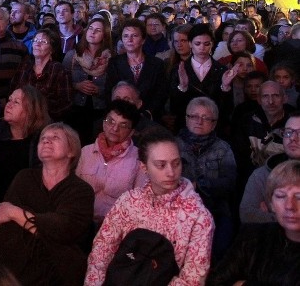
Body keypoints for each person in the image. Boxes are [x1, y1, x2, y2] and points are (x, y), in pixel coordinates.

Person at [84, 128, 215, 286]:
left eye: (176, 163)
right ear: (144, 167)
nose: (171, 172)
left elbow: (192, 278)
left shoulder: (199, 216)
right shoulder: (128, 202)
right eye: (161, 165)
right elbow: (101, 253)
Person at [0, 122, 94, 285]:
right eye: (43, 138)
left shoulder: (81, 190)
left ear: (71, 151)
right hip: (14, 259)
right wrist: (48, 226)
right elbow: (3, 221)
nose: (47, 141)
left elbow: (65, 228)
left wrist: (15, 213)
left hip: (56, 269)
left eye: (55, 137)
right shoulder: (24, 177)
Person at [207, 160, 300, 285]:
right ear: (271, 203)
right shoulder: (252, 236)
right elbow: (215, 282)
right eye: (280, 196)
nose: (289, 205)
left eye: (299, 197)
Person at [177, 97, 236, 262]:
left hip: (215, 211)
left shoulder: (223, 149)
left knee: (219, 252)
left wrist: (199, 185)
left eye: (206, 118)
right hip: (180, 211)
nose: (199, 121)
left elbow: (229, 182)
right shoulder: (174, 145)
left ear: (214, 123)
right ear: (186, 118)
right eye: (194, 116)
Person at [76, 100, 147, 225]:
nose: (115, 128)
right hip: (81, 220)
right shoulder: (85, 152)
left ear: (131, 132)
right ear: (103, 123)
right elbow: (73, 190)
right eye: (111, 121)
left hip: (117, 224)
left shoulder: (138, 158)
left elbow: (139, 201)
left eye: (123, 125)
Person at [0, 85, 50, 204]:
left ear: (31, 109)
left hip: (29, 204)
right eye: (10, 99)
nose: (8, 104)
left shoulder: (43, 139)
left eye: (16, 102)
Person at [239, 111, 300, 223]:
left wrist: (273, 215)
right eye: (288, 132)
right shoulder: (261, 175)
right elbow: (247, 214)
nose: (292, 138)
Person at [104, 19, 169, 120]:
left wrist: (147, 113)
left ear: (143, 40)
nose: (129, 40)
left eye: (134, 36)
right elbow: (109, 92)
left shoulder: (156, 64)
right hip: (121, 117)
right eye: (125, 36)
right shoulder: (114, 63)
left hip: (149, 118)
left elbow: (161, 94)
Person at [63, 17, 113, 144]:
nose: (92, 32)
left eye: (98, 30)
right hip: (76, 110)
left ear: (105, 35)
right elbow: (62, 81)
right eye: (90, 29)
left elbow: (114, 86)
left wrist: (99, 90)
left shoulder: (110, 59)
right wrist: (76, 86)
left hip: (100, 110)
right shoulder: (73, 55)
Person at [11, 28, 73, 121]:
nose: (37, 44)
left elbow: (66, 104)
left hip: (47, 121)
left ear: (52, 49)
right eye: (35, 40)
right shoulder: (24, 66)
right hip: (22, 119)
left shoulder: (59, 70)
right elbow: (12, 91)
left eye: (43, 41)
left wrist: (39, 110)